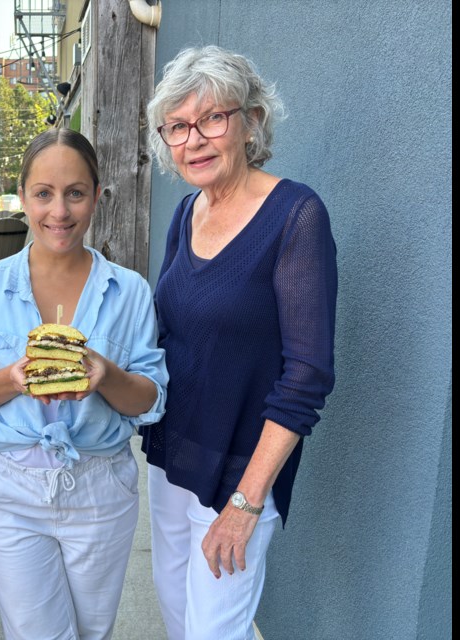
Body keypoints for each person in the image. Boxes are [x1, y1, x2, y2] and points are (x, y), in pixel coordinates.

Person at [0, 128, 168, 640]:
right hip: (12, 487)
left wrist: (106, 375)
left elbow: (151, 399)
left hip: (101, 487)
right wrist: (12, 379)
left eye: (75, 193)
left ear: (96, 196)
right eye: (44, 193)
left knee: (91, 632)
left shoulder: (129, 291)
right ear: (23, 196)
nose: (58, 212)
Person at [142, 45, 338, 639]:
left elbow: (306, 377)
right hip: (171, 455)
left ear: (251, 121)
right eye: (177, 126)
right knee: (179, 618)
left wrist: (248, 503)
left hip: (239, 471)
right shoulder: (185, 214)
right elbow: (171, 334)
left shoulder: (295, 216)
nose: (193, 139)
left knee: (214, 633)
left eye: (212, 119)